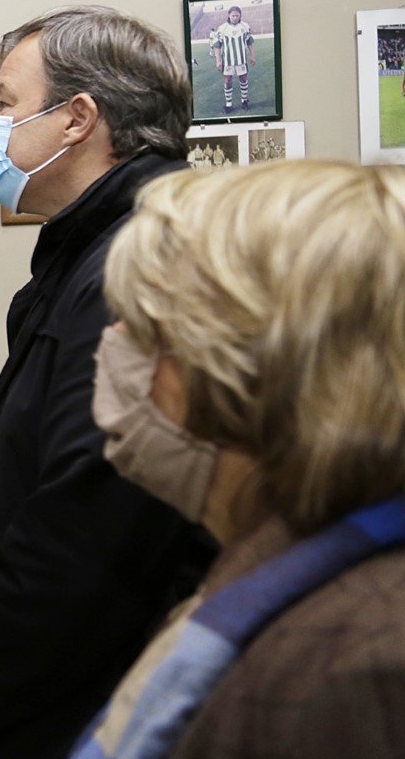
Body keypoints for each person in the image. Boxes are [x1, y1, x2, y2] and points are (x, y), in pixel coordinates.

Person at [0, 6, 216, 759]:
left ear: (76, 119)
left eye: (6, 103)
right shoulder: (97, 248)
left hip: (80, 706)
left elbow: (89, 525)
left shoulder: (142, 259)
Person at [74, 160, 405, 759]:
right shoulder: (299, 587)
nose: (117, 349)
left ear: (241, 370)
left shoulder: (363, 665)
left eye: (147, 331)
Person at [210, 5, 256, 114]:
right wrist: (218, 60)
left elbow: (250, 42)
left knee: (243, 79)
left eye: (237, 15)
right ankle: (229, 104)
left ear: (240, 16)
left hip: (241, 60)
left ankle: (244, 101)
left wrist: (253, 55)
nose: (235, 17)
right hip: (228, 61)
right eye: (233, 15)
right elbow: (217, 45)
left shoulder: (245, 26)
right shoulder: (222, 28)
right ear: (229, 15)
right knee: (227, 80)